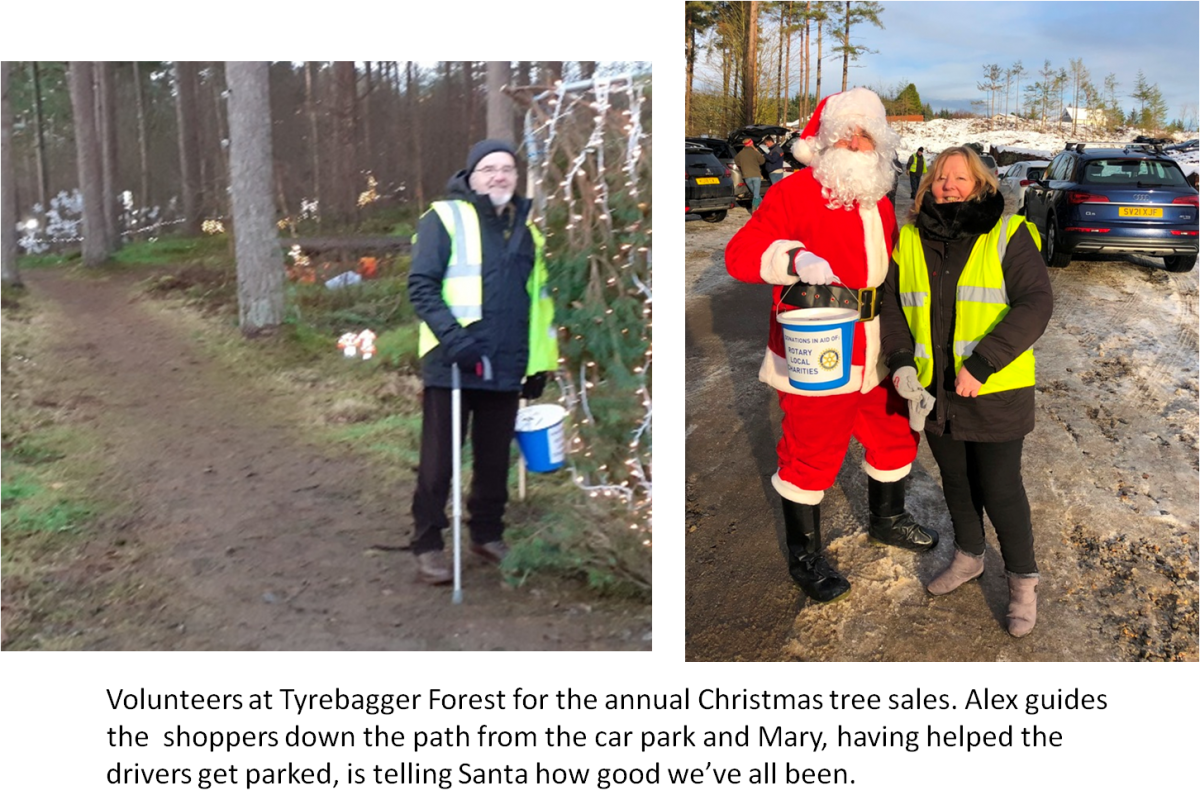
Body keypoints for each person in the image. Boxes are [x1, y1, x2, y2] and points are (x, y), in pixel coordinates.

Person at [725, 88, 938, 605]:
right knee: (811, 450)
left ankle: (887, 519)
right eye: (845, 132)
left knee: (893, 434)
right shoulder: (794, 192)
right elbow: (740, 254)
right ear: (823, 141)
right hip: (817, 347)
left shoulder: (882, 202)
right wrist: (794, 258)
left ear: (880, 144)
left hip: (878, 346)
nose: (855, 142)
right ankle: (805, 557)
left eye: (865, 134)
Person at [880, 145, 1053, 637]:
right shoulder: (909, 239)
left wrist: (983, 362)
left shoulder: (1008, 234)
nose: (948, 185)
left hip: (993, 389)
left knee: (999, 489)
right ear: (927, 186)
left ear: (981, 185)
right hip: (934, 392)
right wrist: (899, 361)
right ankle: (969, 557)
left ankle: (1022, 581)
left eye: (959, 178)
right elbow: (892, 306)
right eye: (939, 178)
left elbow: (1036, 304)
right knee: (956, 483)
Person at [407, 139, 559, 585]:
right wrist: (456, 341)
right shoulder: (444, 218)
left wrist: (538, 364)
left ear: (516, 177)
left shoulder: (529, 231)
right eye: (489, 168)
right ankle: (428, 543)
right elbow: (422, 286)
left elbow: (540, 305)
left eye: (507, 169)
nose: (499, 176)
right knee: (439, 462)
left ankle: (487, 534)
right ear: (471, 175)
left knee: (494, 461)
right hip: (453, 363)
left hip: (506, 366)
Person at [734, 136, 766, 213]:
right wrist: (757, 152)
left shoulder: (740, 154)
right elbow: (762, 161)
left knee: (755, 193)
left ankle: (764, 207)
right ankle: (755, 210)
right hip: (756, 175)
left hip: (746, 176)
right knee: (756, 194)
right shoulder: (755, 152)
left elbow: (736, 161)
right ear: (751, 144)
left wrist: (743, 165)